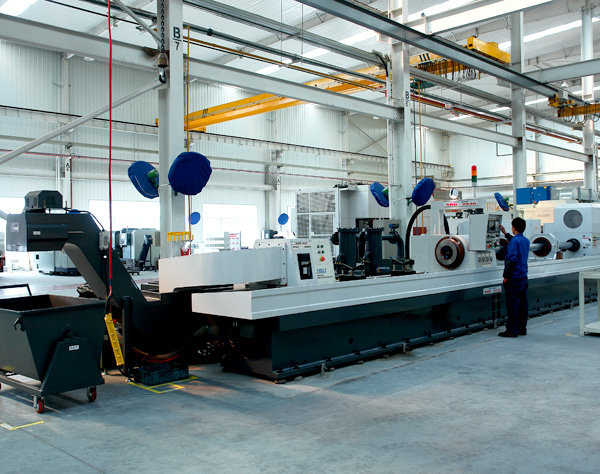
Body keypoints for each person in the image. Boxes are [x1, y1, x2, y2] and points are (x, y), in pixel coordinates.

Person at [498, 217, 530, 337]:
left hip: (514, 278)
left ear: (514, 227)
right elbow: (516, 242)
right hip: (523, 277)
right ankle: (521, 328)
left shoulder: (514, 242)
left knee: (513, 304)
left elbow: (511, 259)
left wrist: (506, 276)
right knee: (523, 304)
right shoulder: (525, 241)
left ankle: (512, 330)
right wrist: (505, 233)